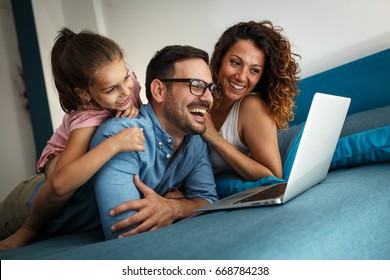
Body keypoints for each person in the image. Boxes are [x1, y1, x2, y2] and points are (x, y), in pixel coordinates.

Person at [0, 27, 145, 249]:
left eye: (126, 76)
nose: (125, 91)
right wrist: (115, 144)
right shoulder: (86, 118)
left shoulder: (128, 86)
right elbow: (59, 183)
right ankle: (28, 229)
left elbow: (136, 106)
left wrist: (134, 107)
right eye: (110, 89)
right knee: (62, 187)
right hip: (58, 157)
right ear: (84, 93)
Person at [90, 45, 219, 240]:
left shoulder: (195, 142)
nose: (208, 98)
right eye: (196, 85)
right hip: (35, 205)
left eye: (210, 88)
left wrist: (174, 207)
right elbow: (126, 235)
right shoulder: (122, 136)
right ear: (159, 90)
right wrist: (186, 203)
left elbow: (208, 200)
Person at [202, 20, 301, 182]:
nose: (241, 77)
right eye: (235, 62)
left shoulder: (251, 107)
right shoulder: (198, 91)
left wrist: (214, 137)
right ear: (220, 59)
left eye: (254, 70)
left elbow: (273, 176)